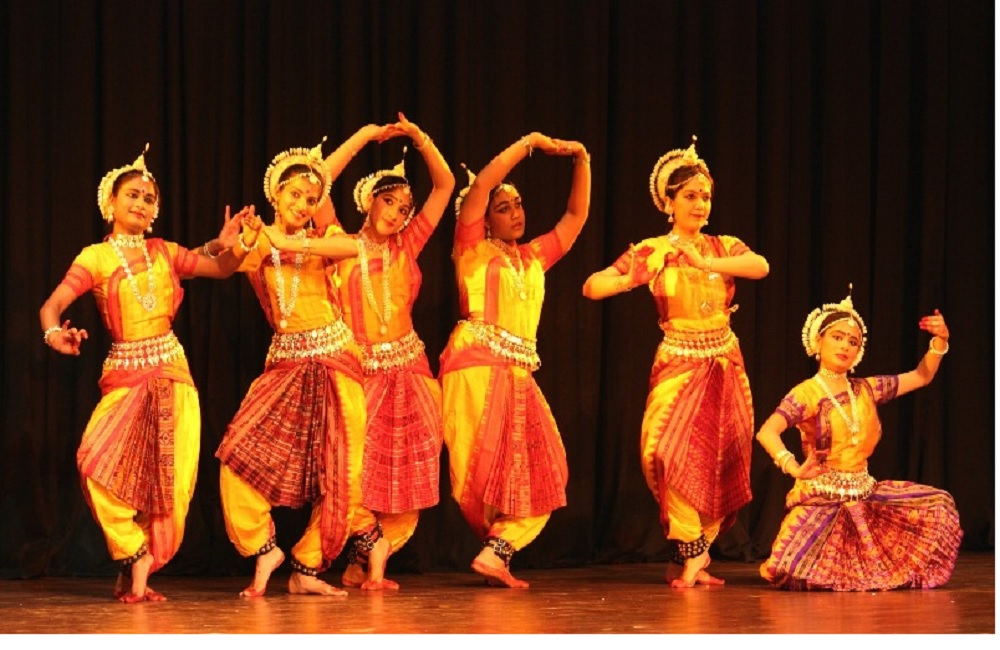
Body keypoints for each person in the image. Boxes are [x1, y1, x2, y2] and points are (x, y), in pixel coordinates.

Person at [38, 144, 260, 603]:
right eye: (132, 195)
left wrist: (239, 243)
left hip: (172, 374)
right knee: (93, 462)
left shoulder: (164, 252)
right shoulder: (96, 257)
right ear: (111, 202)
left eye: (148, 198)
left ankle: (139, 571)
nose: (140, 203)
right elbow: (52, 305)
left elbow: (221, 268)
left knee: (169, 484)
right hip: (125, 374)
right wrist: (55, 334)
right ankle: (133, 552)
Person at [582, 136, 770, 588]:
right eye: (690, 196)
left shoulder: (723, 246)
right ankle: (691, 550)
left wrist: (705, 262)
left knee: (720, 458)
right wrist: (632, 277)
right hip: (678, 360)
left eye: (706, 196)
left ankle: (691, 555)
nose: (700, 204)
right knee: (662, 453)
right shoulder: (652, 249)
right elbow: (591, 286)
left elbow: (761, 266)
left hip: (723, 360)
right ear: (669, 203)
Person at [214, 138, 368, 598]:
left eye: (311, 198)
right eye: (295, 194)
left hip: (336, 360)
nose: (303, 204)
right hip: (285, 365)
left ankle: (308, 566)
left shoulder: (324, 240)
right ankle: (264, 550)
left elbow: (355, 247)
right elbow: (226, 263)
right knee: (237, 457)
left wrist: (283, 239)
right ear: (275, 195)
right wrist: (230, 242)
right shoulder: (259, 239)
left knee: (344, 473)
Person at [439, 131, 591, 588]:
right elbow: (483, 184)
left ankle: (496, 551)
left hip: (519, 372)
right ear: (484, 219)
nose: (515, 213)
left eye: (518, 205)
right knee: (479, 472)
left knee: (542, 470)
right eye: (503, 208)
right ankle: (494, 551)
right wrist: (527, 145)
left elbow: (575, 216)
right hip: (474, 367)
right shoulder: (471, 247)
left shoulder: (533, 257)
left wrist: (581, 159)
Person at [316, 115, 454, 591]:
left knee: (411, 473)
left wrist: (420, 138)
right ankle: (365, 546)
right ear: (369, 200)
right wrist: (364, 136)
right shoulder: (338, 241)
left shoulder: (408, 245)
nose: (396, 213)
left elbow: (445, 185)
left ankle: (369, 565)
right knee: (355, 470)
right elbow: (319, 181)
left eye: (403, 208)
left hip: (410, 370)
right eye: (389, 201)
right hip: (359, 371)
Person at [754, 287, 962, 591]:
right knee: (790, 570)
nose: (845, 346)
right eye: (837, 337)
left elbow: (921, 376)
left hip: (865, 494)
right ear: (818, 341)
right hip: (822, 497)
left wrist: (940, 340)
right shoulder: (806, 393)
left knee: (940, 507)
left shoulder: (866, 389)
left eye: (853, 342)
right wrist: (793, 467)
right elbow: (767, 431)